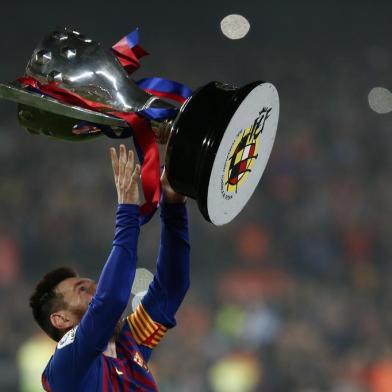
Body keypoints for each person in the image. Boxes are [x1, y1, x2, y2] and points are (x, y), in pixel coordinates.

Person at [29, 144, 190, 391]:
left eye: (93, 285)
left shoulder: (128, 342)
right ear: (61, 319)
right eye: (83, 290)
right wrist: (127, 210)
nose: (95, 288)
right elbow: (110, 300)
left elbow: (172, 287)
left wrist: (173, 205)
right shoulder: (65, 366)